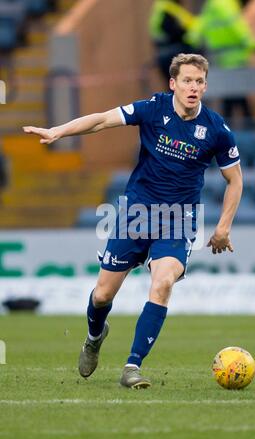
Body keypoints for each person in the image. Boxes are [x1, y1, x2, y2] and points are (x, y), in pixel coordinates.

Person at [23, 53, 243, 389]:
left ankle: (132, 366)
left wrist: (223, 226)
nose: (193, 87)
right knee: (101, 296)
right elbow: (100, 120)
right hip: (135, 214)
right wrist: (58, 131)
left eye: (199, 81)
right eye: (186, 80)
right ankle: (95, 336)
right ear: (173, 83)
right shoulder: (153, 109)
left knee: (163, 282)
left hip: (177, 220)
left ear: (205, 85)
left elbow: (235, 180)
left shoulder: (216, 130)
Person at [186, 0, 255, 128]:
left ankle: (236, 123)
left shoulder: (209, 5)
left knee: (231, 94)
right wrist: (252, 43)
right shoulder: (227, 4)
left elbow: (197, 30)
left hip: (219, 58)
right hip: (235, 57)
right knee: (236, 92)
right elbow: (238, 26)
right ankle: (248, 123)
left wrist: (191, 44)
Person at [149, 0, 196, 87]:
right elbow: (170, 29)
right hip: (173, 52)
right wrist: (184, 34)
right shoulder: (168, 8)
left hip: (167, 52)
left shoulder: (166, 7)